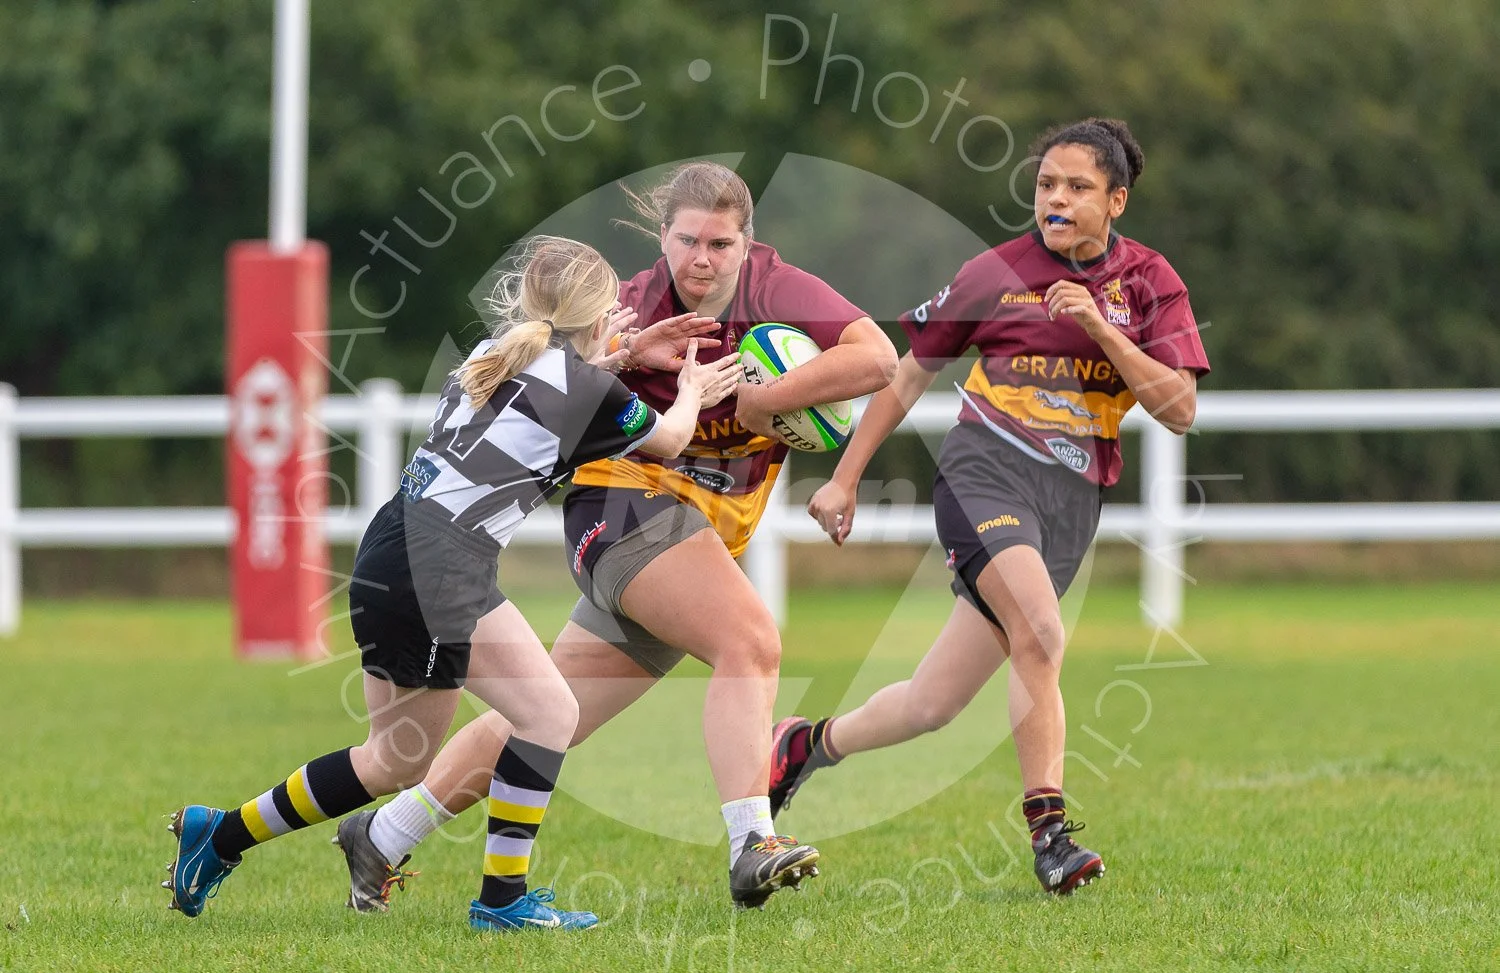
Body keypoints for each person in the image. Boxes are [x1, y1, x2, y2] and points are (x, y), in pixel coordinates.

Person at [334, 161, 899, 910]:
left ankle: (383, 837)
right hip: (623, 507)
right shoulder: (627, 305)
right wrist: (635, 358)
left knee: (548, 715)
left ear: (747, 244)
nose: (703, 259)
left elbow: (878, 358)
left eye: (721, 245)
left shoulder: (779, 289)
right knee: (752, 639)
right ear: (661, 236)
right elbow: (551, 379)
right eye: (688, 240)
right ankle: (751, 843)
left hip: (702, 536)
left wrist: (770, 402)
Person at [163, 236, 743, 931]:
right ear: (599, 315)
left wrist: (616, 354)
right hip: (443, 567)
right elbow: (672, 439)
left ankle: (218, 835)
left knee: (393, 760)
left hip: (392, 544)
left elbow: (560, 391)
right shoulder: (585, 386)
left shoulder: (494, 353)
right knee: (547, 717)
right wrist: (690, 389)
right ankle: (503, 902)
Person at [772, 118, 1211, 896]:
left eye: (1078, 188)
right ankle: (1050, 835)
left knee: (933, 703)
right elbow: (907, 376)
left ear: (1117, 200)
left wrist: (1101, 330)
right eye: (1047, 184)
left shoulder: (1148, 283)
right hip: (983, 478)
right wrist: (844, 478)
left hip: (1072, 503)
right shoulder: (994, 272)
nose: (1057, 199)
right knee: (1040, 631)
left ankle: (806, 746)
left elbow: (1178, 409)